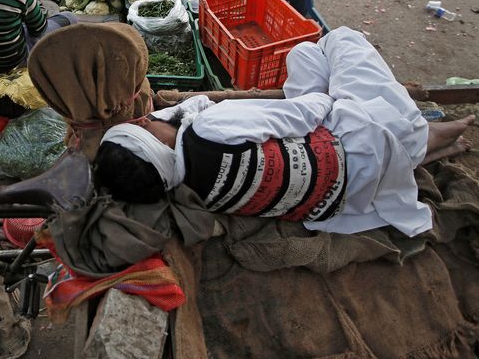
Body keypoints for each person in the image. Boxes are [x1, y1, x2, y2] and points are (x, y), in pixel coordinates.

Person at [94, 27, 474, 237]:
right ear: (153, 137)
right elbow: (303, 115)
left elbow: (190, 114)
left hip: (338, 201)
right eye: (143, 124)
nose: (147, 116)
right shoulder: (210, 129)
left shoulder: (187, 187)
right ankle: (429, 136)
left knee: (303, 56)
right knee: (342, 39)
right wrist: (332, 101)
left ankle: (426, 141)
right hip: (361, 144)